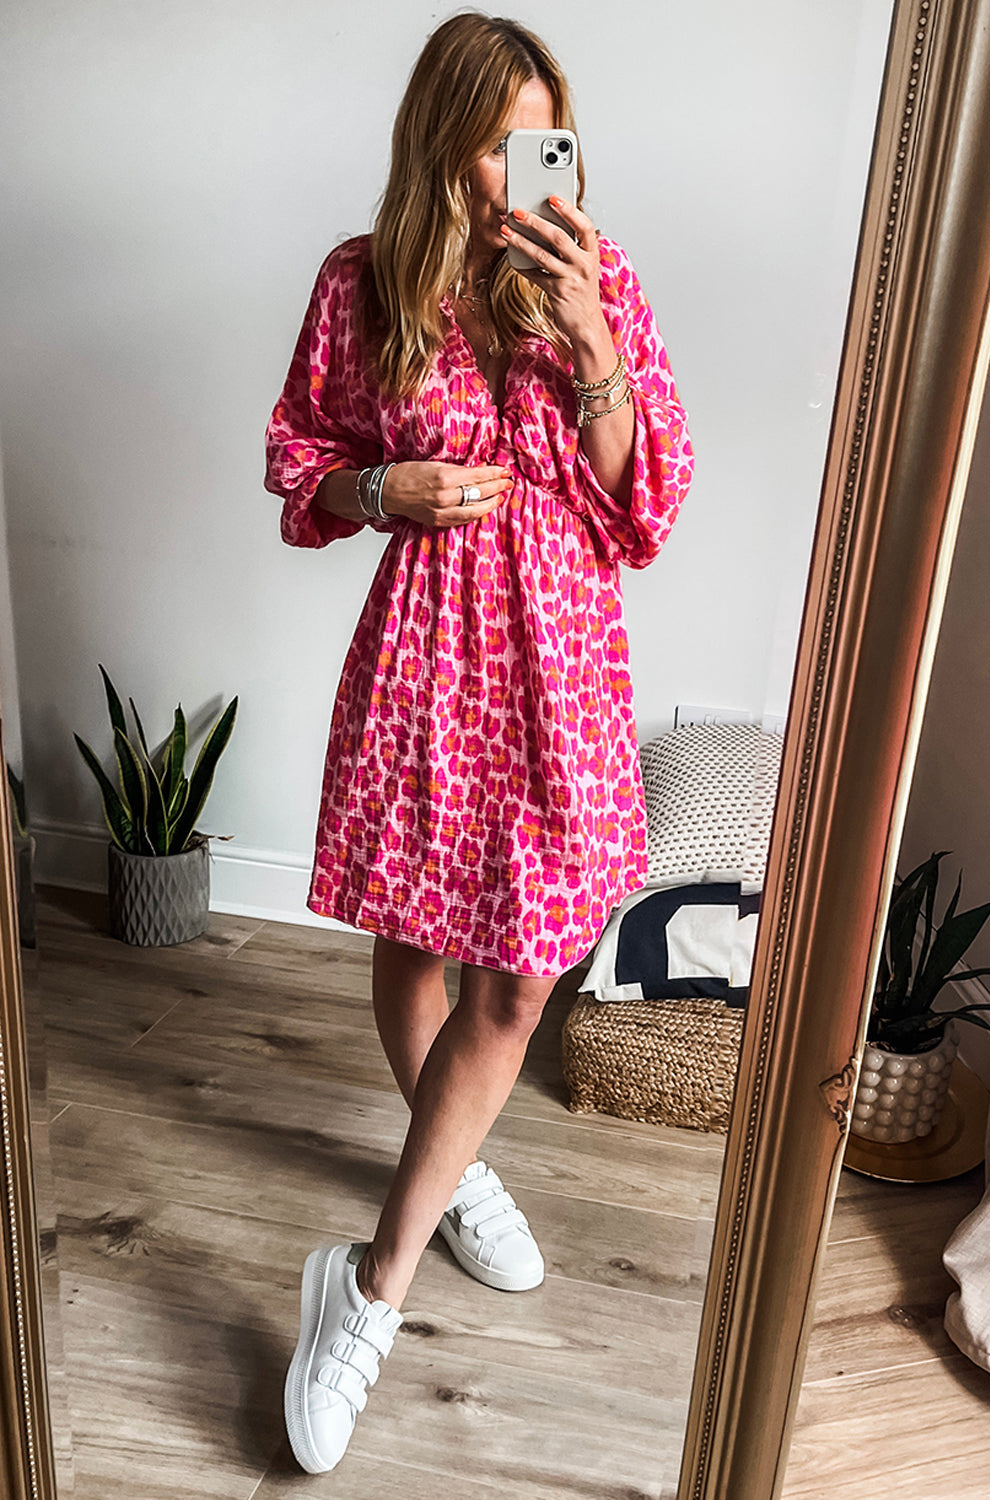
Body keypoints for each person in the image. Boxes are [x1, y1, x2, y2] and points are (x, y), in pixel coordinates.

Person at [264, 11, 694, 1475]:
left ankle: (367, 1289)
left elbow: (646, 506)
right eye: (501, 140)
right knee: (417, 948)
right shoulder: (361, 280)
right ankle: (458, 1171)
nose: (528, 168)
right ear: (442, 145)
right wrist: (382, 486)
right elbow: (301, 459)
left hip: (562, 661)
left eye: (545, 137)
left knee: (517, 985)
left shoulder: (595, 277)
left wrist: (592, 347)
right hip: (430, 656)